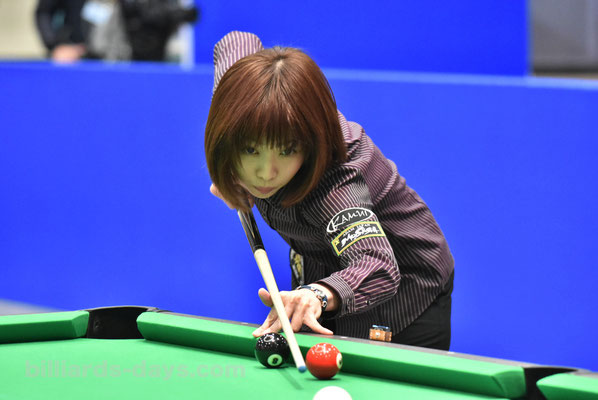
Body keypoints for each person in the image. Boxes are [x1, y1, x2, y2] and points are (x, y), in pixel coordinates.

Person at [205, 31, 455, 350]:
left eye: (287, 150)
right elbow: (236, 41)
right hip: (323, 263)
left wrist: (316, 294)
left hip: (407, 288)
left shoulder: (334, 182)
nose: (266, 173)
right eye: (251, 149)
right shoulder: (244, 95)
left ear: (308, 145)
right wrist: (226, 165)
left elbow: (377, 265)